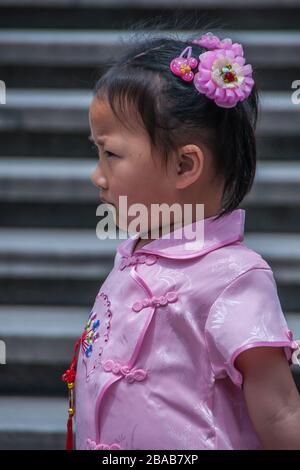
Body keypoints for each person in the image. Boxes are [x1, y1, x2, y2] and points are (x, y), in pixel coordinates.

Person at [62, 31, 300, 450]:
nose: (96, 176)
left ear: (184, 165)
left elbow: (280, 411)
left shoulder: (235, 279)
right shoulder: (133, 257)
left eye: (110, 154)